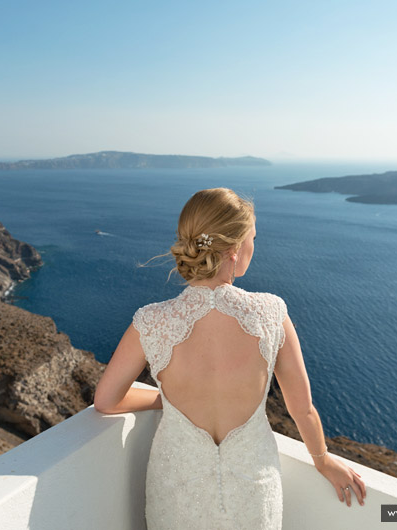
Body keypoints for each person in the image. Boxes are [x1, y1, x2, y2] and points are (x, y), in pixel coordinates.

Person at [94, 188, 366, 529]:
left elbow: (106, 401)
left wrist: (165, 401)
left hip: (175, 490)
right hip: (253, 491)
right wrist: (323, 460)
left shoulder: (150, 321)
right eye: (253, 238)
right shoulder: (271, 313)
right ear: (235, 249)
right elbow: (302, 409)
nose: (254, 245)